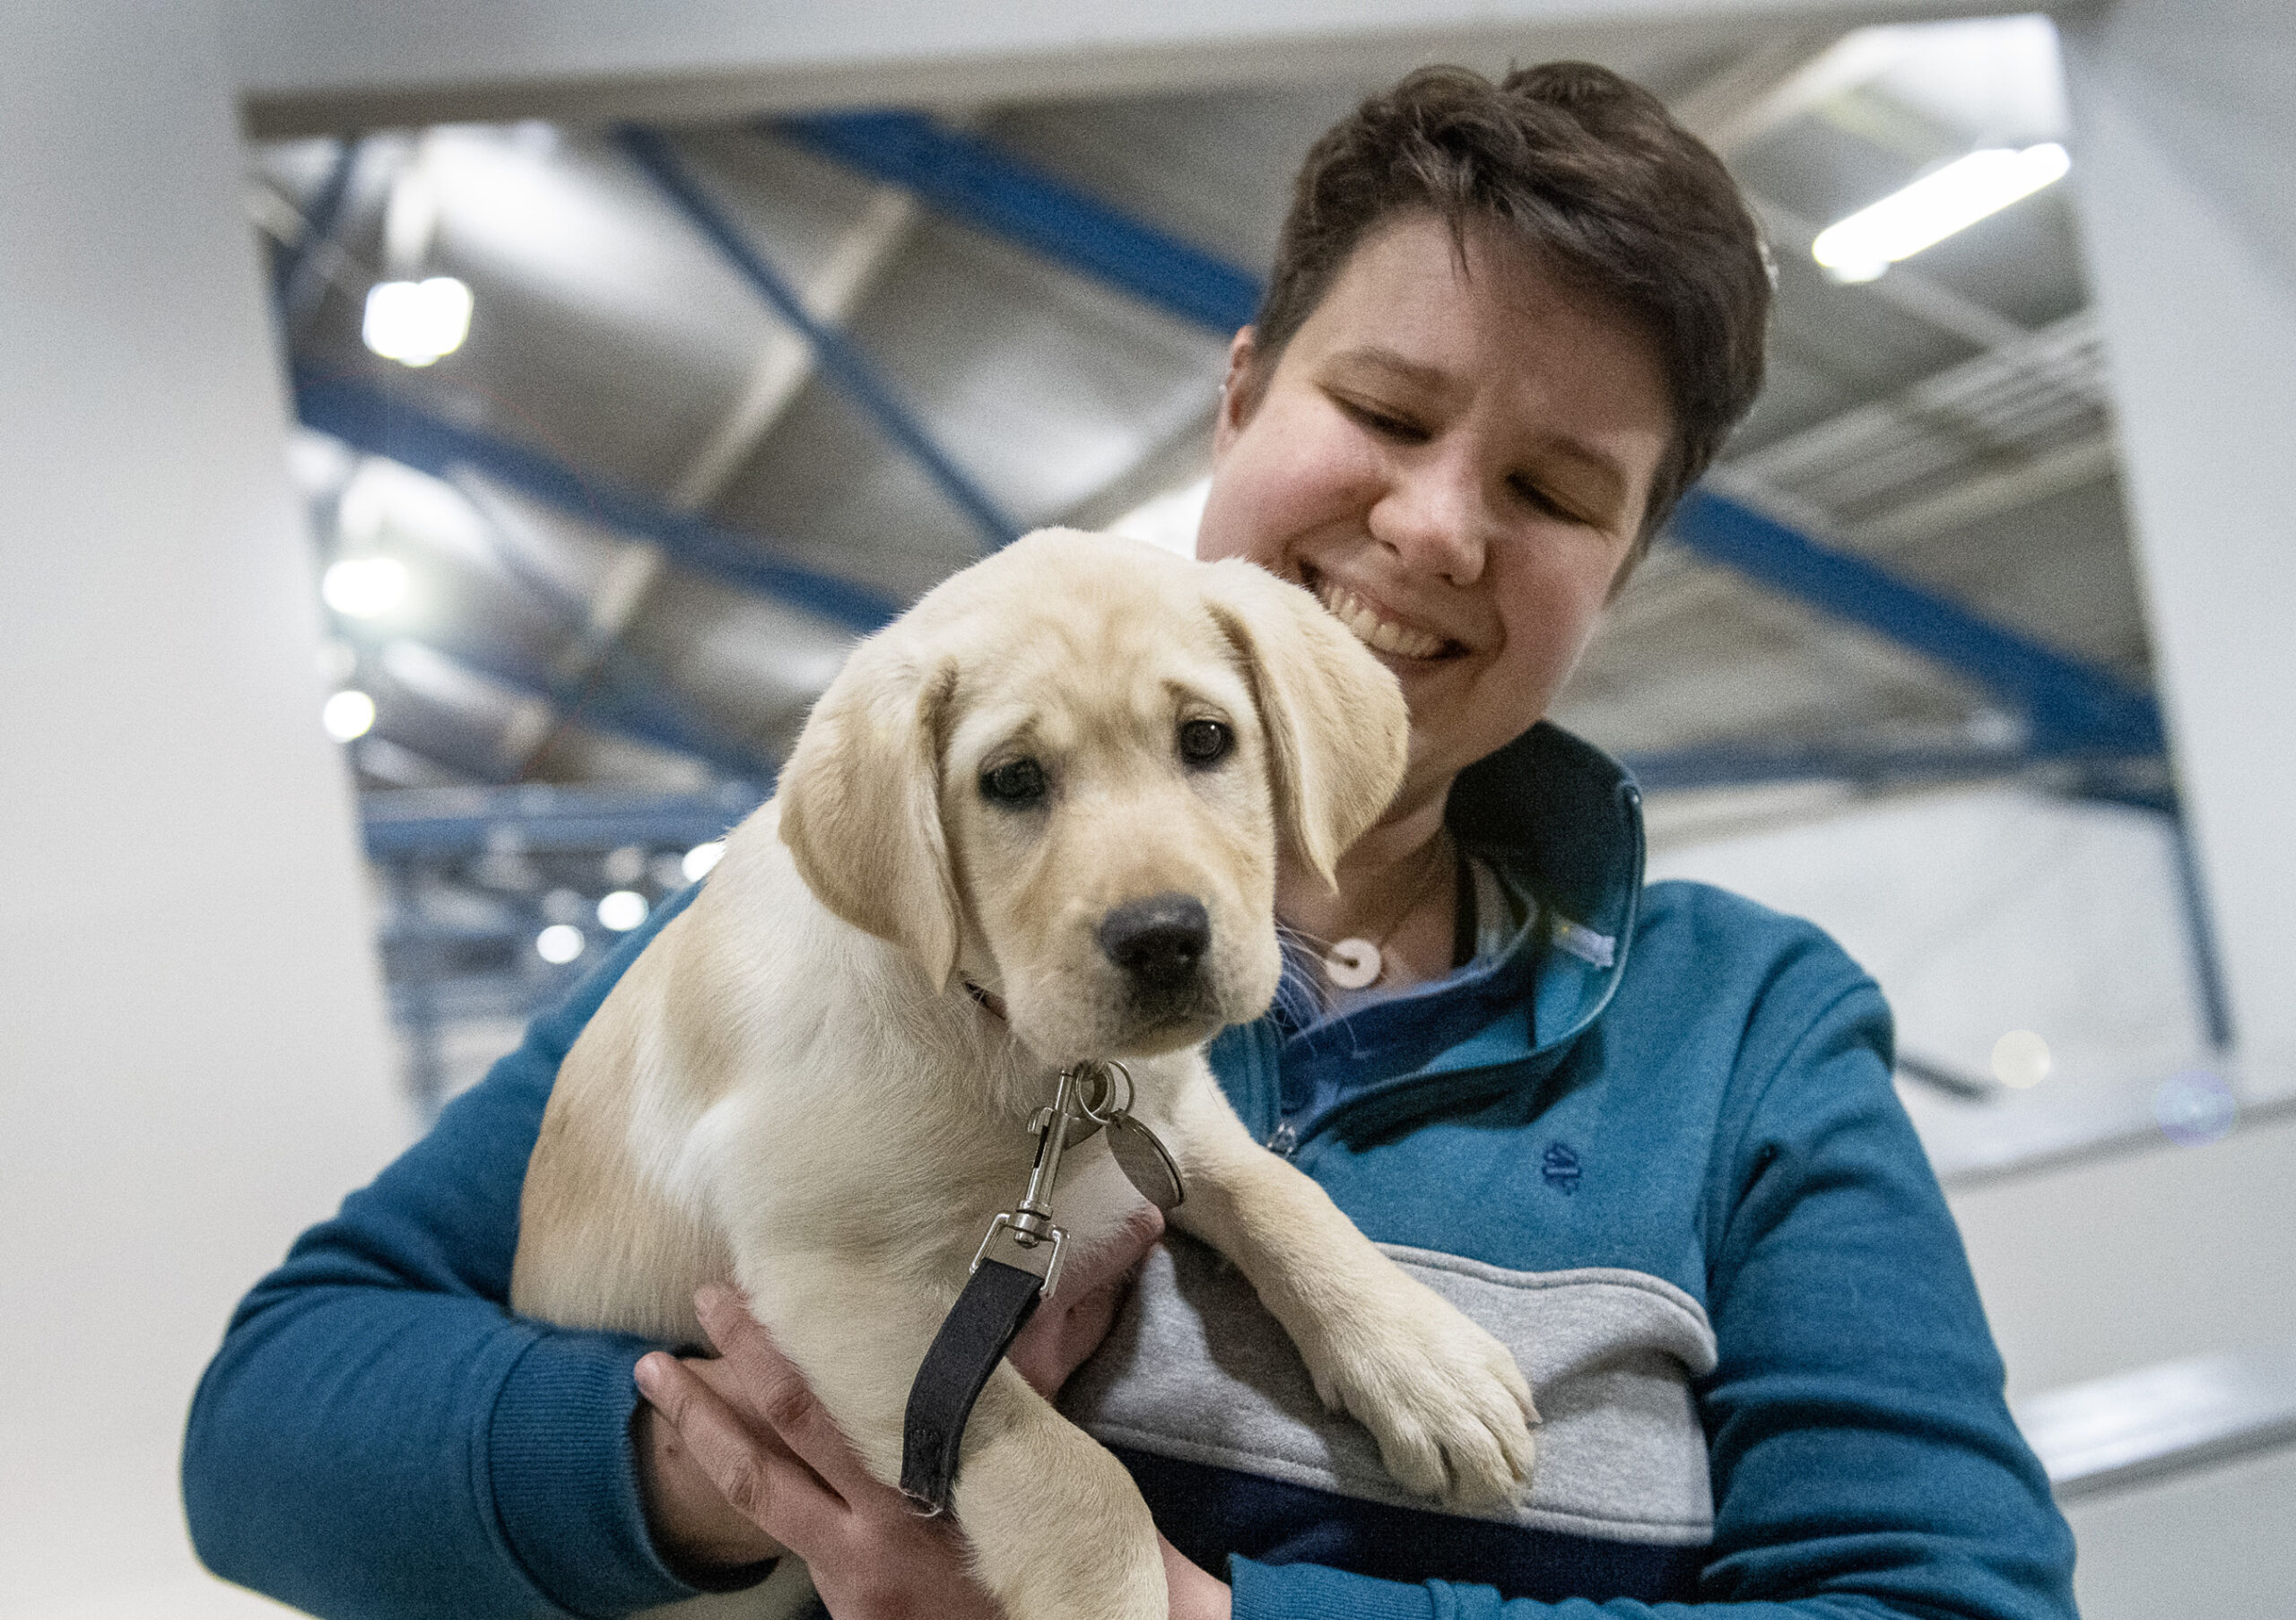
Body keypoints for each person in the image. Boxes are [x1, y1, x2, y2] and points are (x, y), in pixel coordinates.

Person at [184, 62, 2078, 1620]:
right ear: (1241, 391)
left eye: (1549, 489)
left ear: (1629, 562)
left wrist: (1189, 1619)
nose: (1430, 527)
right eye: (1383, 407)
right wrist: (721, 1469)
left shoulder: (1747, 1029)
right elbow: (268, 1434)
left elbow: (1948, 1602)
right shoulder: (815, 944)